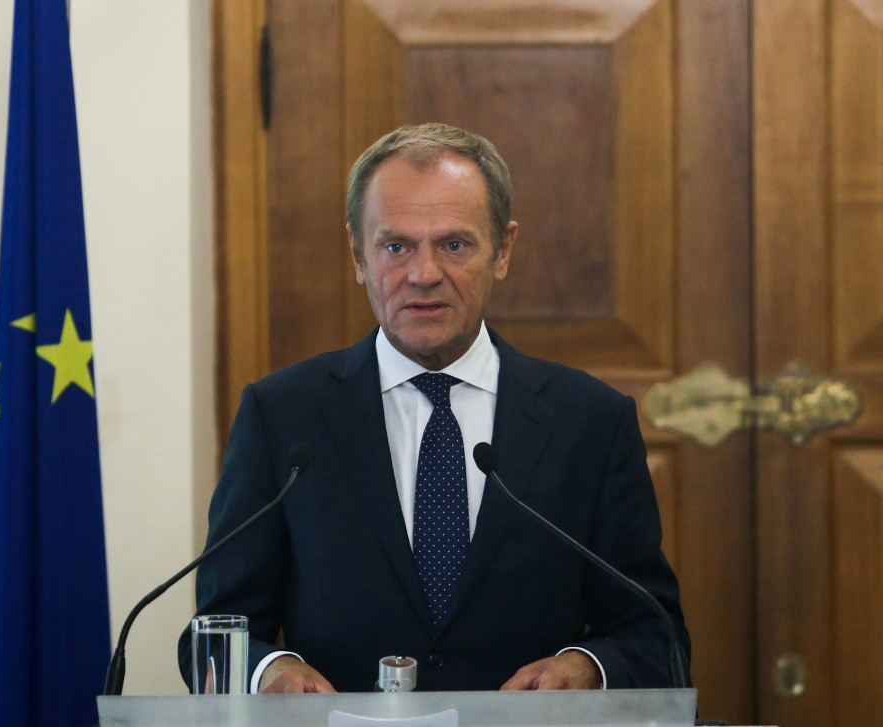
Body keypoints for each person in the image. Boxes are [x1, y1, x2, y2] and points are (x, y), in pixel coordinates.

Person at [178, 123, 689, 693]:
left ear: (503, 251)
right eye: (395, 246)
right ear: (358, 256)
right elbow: (216, 631)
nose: (423, 274)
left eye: (454, 244)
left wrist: (586, 668)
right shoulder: (282, 416)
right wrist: (267, 670)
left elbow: (654, 634)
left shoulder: (590, 422)